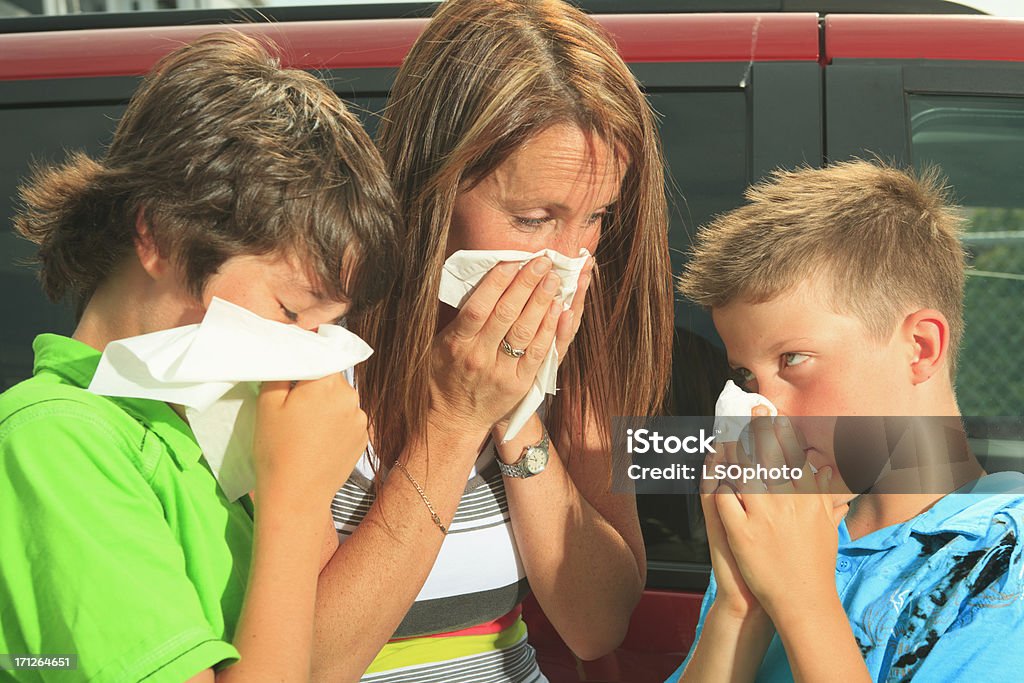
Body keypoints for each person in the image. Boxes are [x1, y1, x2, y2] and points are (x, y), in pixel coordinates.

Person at [0, 32, 400, 682]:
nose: (308, 355)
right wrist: (294, 500)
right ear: (158, 233)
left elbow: (320, 661)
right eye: (292, 312)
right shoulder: (54, 441)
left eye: (330, 327)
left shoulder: (209, 423)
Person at [311, 0, 674, 680]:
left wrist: (518, 413)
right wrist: (454, 422)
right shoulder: (312, 346)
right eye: (534, 218)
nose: (565, 259)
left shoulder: (579, 356)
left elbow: (597, 625)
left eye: (594, 217)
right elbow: (309, 660)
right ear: (434, 191)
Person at [668, 160, 1024, 682]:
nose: (763, 410)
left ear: (920, 348)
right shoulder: (784, 522)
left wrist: (802, 599)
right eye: (747, 375)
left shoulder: (1001, 563)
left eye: (793, 360)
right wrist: (739, 607)